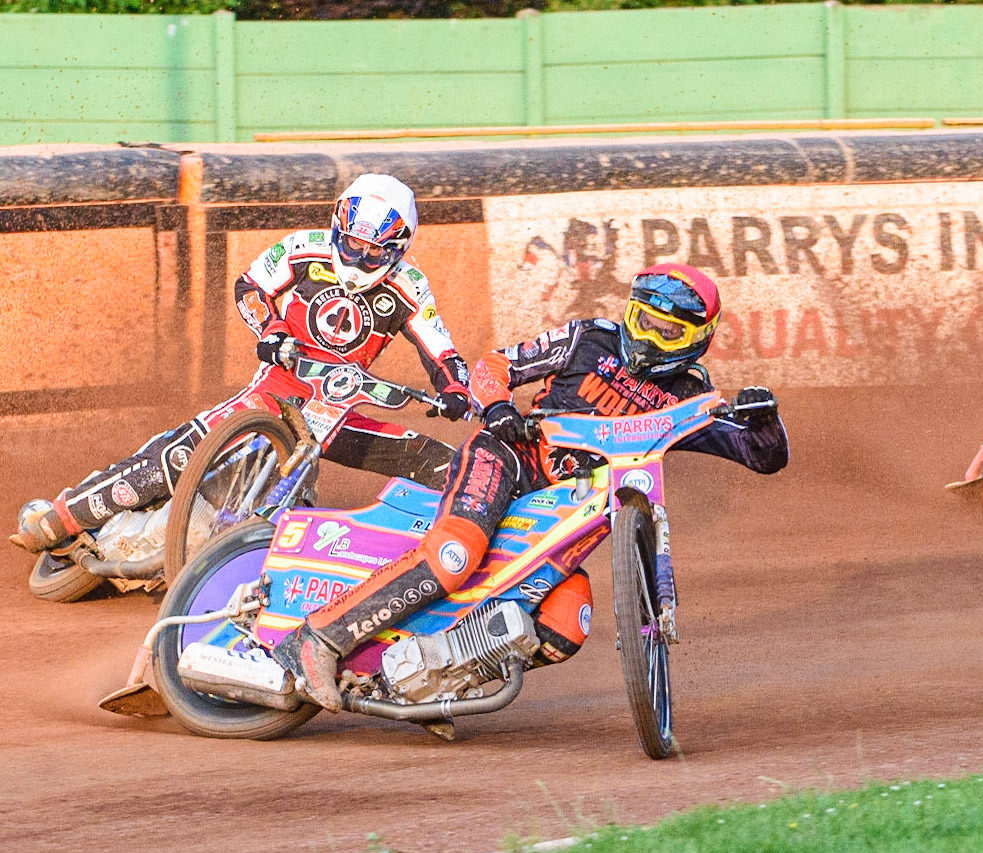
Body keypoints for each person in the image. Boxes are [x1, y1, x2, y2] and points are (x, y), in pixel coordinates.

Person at [273, 263, 790, 713]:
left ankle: (420, 685)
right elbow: (496, 364)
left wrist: (764, 417)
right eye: (644, 321)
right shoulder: (589, 337)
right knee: (454, 555)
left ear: (699, 337)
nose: (650, 338)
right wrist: (499, 408)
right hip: (511, 460)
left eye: (668, 331)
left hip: (569, 518)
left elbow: (760, 455)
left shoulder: (690, 395)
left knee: (569, 623)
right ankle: (318, 637)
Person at [11, 174, 474, 554]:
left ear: (399, 247)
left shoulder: (412, 286)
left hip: (336, 414)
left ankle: (461, 549)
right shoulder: (301, 246)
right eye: (352, 244)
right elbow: (250, 287)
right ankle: (61, 517)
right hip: (276, 389)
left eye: (375, 251)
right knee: (175, 457)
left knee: (442, 463)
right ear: (338, 229)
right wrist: (272, 333)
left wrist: (455, 390)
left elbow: (443, 352)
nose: (359, 257)